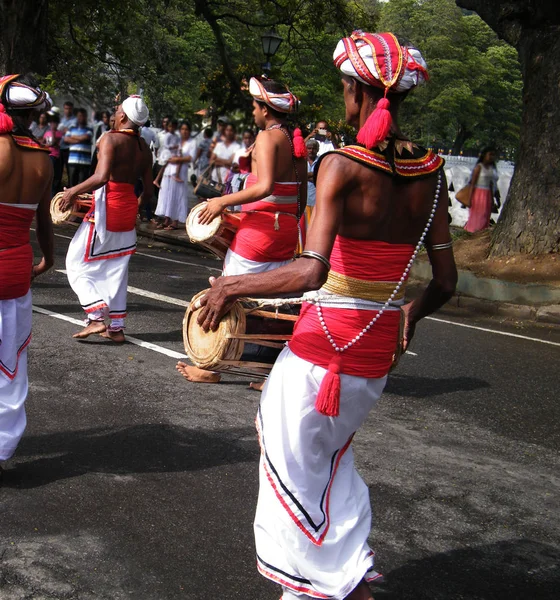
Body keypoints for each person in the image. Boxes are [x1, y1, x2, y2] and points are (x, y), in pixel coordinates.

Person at [194, 31, 457, 600]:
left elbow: (311, 272)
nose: (342, 101)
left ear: (358, 94)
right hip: (375, 349)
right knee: (326, 456)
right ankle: (343, 573)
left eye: (343, 90)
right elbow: (445, 282)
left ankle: (319, 585)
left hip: (325, 344)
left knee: (292, 459)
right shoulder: (431, 173)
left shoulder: (340, 165)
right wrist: (409, 314)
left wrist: (232, 286)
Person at [176, 76, 307, 384]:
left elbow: (264, 187)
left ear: (265, 109)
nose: (252, 111)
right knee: (272, 303)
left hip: (259, 233)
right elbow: (297, 199)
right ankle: (269, 371)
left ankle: (210, 367)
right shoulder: (295, 142)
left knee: (227, 290)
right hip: (285, 231)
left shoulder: (267, 137)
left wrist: (222, 202)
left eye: (254, 105)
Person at [62, 96, 153, 343]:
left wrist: (72, 191)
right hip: (126, 211)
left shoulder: (110, 139)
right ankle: (116, 328)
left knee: (75, 262)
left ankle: (96, 318)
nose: (115, 111)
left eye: (117, 109)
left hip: (107, 210)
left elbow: (101, 177)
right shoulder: (144, 147)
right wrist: (134, 206)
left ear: (123, 116)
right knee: (116, 271)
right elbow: (149, 192)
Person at [0, 74, 54, 475]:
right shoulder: (44, 160)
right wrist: (48, 259)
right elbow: (45, 221)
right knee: (10, 366)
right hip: (18, 268)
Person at [154, 121, 196, 229]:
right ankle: (167, 219)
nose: (184, 131)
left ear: (189, 131)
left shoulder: (191, 143)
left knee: (178, 195)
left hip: (180, 172)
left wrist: (178, 159)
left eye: (186, 129)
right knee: (166, 194)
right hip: (169, 169)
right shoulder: (176, 139)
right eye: (182, 129)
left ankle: (175, 221)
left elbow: (191, 157)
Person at [464, 147, 499, 233]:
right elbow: (472, 184)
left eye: (493, 155)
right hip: (478, 195)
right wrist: (469, 199)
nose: (491, 157)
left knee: (485, 216)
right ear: (484, 155)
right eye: (490, 154)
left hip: (487, 195)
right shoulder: (479, 168)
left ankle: (480, 234)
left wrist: (493, 199)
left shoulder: (491, 169)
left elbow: (491, 185)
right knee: (477, 217)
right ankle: (472, 233)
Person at [64, 108, 93, 186]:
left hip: (85, 161)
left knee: (82, 184)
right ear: (77, 117)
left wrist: (73, 137)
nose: (81, 118)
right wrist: (80, 139)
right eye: (79, 116)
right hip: (73, 160)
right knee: (71, 183)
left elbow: (86, 137)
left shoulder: (89, 129)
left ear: (86, 117)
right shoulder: (71, 128)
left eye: (83, 116)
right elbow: (66, 139)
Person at [153, 118, 180, 189]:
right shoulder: (162, 135)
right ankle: (156, 180)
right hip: (164, 156)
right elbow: (166, 145)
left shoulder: (176, 136)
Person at [43, 112, 64, 194]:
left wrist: (53, 131)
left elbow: (54, 142)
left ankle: (53, 192)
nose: (53, 125)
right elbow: (44, 142)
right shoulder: (47, 133)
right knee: (50, 175)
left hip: (56, 156)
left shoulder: (58, 133)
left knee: (56, 176)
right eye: (51, 123)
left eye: (54, 123)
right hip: (49, 155)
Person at [58, 100, 77, 181]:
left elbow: (73, 132)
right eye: (66, 108)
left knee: (71, 171)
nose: (67, 110)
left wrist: (65, 130)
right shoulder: (61, 120)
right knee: (58, 170)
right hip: (60, 147)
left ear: (72, 109)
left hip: (70, 148)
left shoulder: (75, 120)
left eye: (69, 109)